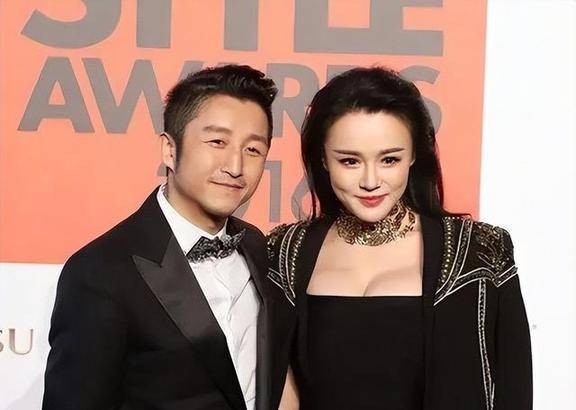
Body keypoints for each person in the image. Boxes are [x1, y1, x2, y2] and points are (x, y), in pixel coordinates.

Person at [267, 67, 532, 409]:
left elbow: (514, 391)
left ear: (414, 155)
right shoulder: (285, 253)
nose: (370, 181)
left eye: (389, 159)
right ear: (323, 159)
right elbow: (279, 389)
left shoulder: (479, 252)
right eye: (349, 161)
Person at [43, 65, 295, 410]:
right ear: (169, 150)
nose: (236, 166)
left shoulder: (257, 247)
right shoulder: (100, 272)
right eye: (217, 142)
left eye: (253, 149)